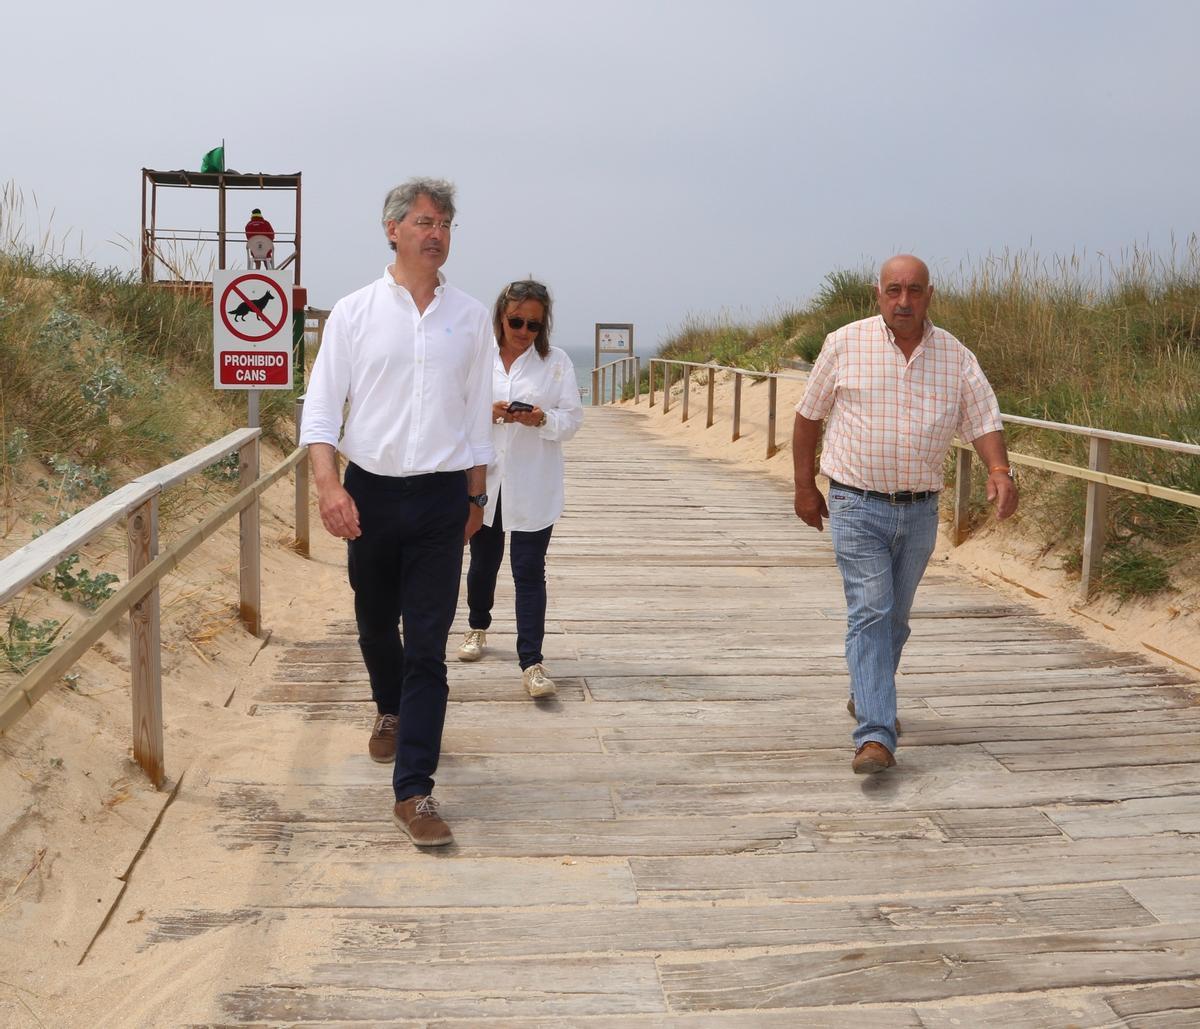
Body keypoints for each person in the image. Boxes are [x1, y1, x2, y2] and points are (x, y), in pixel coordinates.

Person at [298, 178, 494, 847]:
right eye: (422, 221)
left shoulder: (469, 317)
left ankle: (413, 790)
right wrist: (330, 486)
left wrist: (476, 496)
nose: (434, 232)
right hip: (372, 495)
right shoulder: (353, 313)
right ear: (392, 229)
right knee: (378, 624)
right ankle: (388, 709)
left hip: (442, 498)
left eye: (444, 222)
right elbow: (322, 411)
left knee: (429, 649)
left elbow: (475, 419)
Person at [792, 254, 1018, 775]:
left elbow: (982, 417)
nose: (904, 300)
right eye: (894, 290)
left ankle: (867, 690)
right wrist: (805, 487)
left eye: (914, 290)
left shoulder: (956, 356)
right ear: (878, 294)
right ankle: (875, 733)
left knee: (894, 619)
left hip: (919, 510)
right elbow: (808, 417)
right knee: (870, 610)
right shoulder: (844, 343)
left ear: (929, 295)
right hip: (854, 501)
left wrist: (1000, 470)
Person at [456, 280, 583, 698]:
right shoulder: (478, 356)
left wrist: (542, 419)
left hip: (533, 484)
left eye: (533, 324)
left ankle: (532, 661)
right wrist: (487, 414)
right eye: (516, 321)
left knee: (529, 572)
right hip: (485, 481)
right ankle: (477, 626)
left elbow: (572, 421)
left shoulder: (557, 363)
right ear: (500, 316)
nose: (523, 331)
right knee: (483, 563)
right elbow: (452, 411)